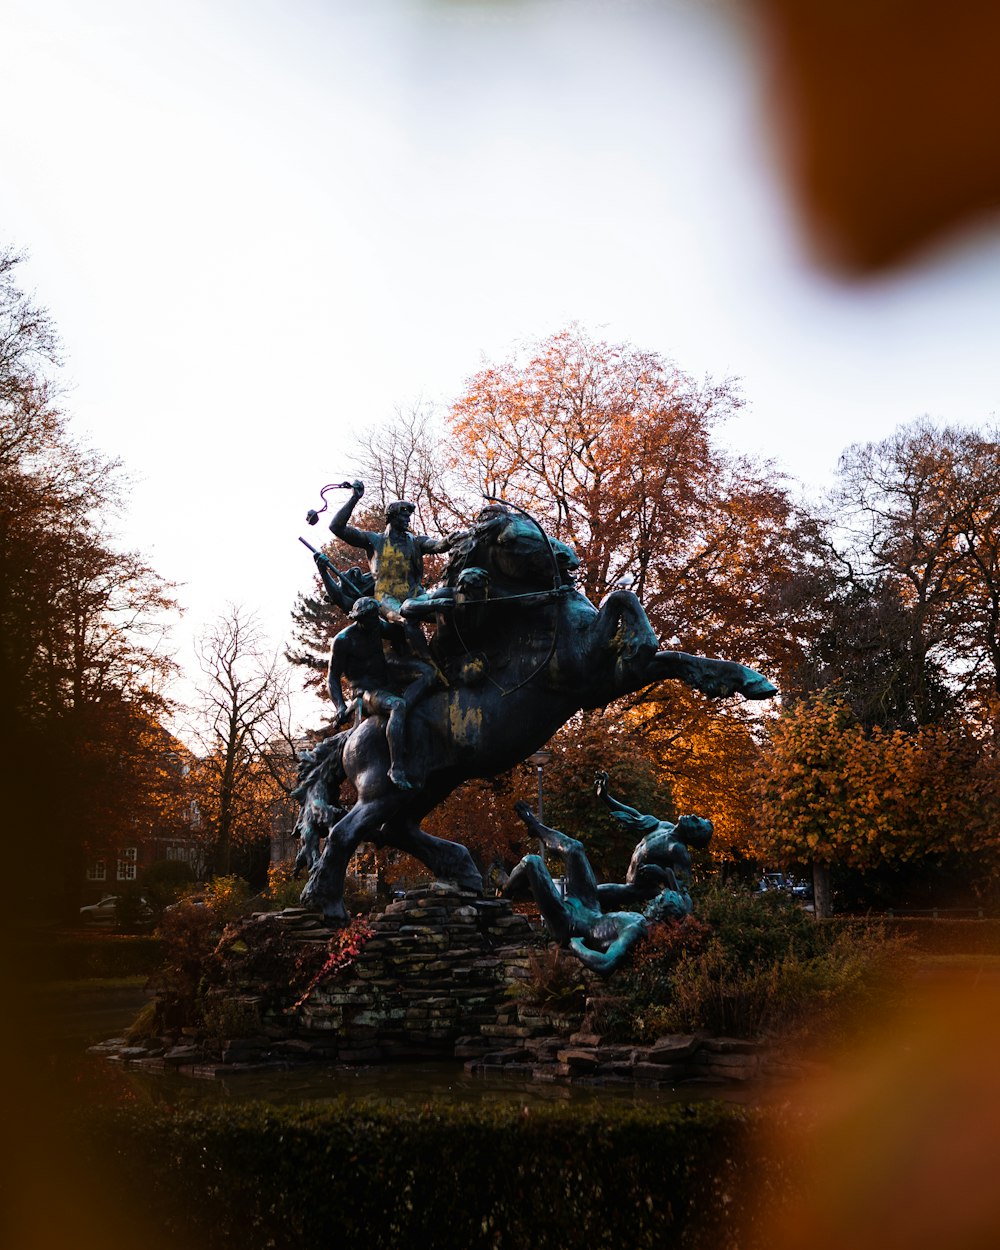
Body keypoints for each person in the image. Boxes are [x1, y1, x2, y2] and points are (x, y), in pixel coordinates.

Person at [503, 800, 694, 974]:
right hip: (589, 906)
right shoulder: (639, 920)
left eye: (663, 898)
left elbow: (605, 963)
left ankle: (505, 890)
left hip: (569, 923)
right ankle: (536, 827)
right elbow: (683, 898)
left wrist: (576, 946)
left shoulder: (635, 929)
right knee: (575, 848)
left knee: (532, 862)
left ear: (662, 912)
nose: (658, 897)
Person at [326, 596, 437, 790]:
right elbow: (332, 677)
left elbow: (397, 631)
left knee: (429, 672)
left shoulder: (377, 625)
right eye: (370, 619)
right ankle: (396, 768)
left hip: (388, 680)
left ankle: (404, 712)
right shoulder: (343, 641)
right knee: (397, 705)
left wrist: (408, 621)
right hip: (366, 691)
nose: (375, 622)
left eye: (375, 617)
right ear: (359, 619)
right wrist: (340, 706)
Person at [328, 480, 466, 620]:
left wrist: (450, 539)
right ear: (392, 517)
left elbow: (437, 545)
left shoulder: (416, 541)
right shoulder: (374, 541)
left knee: (453, 595)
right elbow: (336, 527)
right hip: (387, 599)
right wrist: (354, 498)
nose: (409, 521)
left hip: (416, 596)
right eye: (404, 516)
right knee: (406, 619)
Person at [592, 770, 713, 910]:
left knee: (591, 894)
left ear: (693, 836)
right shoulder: (664, 826)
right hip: (628, 887)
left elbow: (683, 889)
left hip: (639, 894)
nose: (693, 816)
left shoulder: (678, 850)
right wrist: (605, 797)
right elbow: (636, 815)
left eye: (697, 823)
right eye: (698, 818)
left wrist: (661, 875)